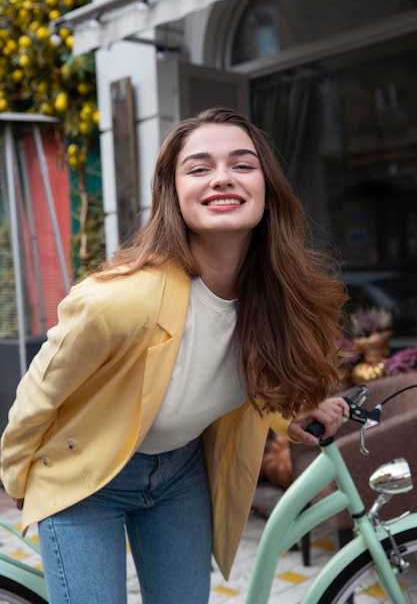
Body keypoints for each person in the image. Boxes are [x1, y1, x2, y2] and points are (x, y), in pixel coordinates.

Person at [0, 107, 350, 604]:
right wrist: (16, 476)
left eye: (243, 165)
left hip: (179, 473)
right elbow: (39, 391)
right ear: (174, 193)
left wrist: (290, 410)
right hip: (85, 475)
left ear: (268, 189)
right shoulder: (116, 301)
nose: (223, 178)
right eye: (199, 167)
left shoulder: (277, 296)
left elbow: (228, 369)